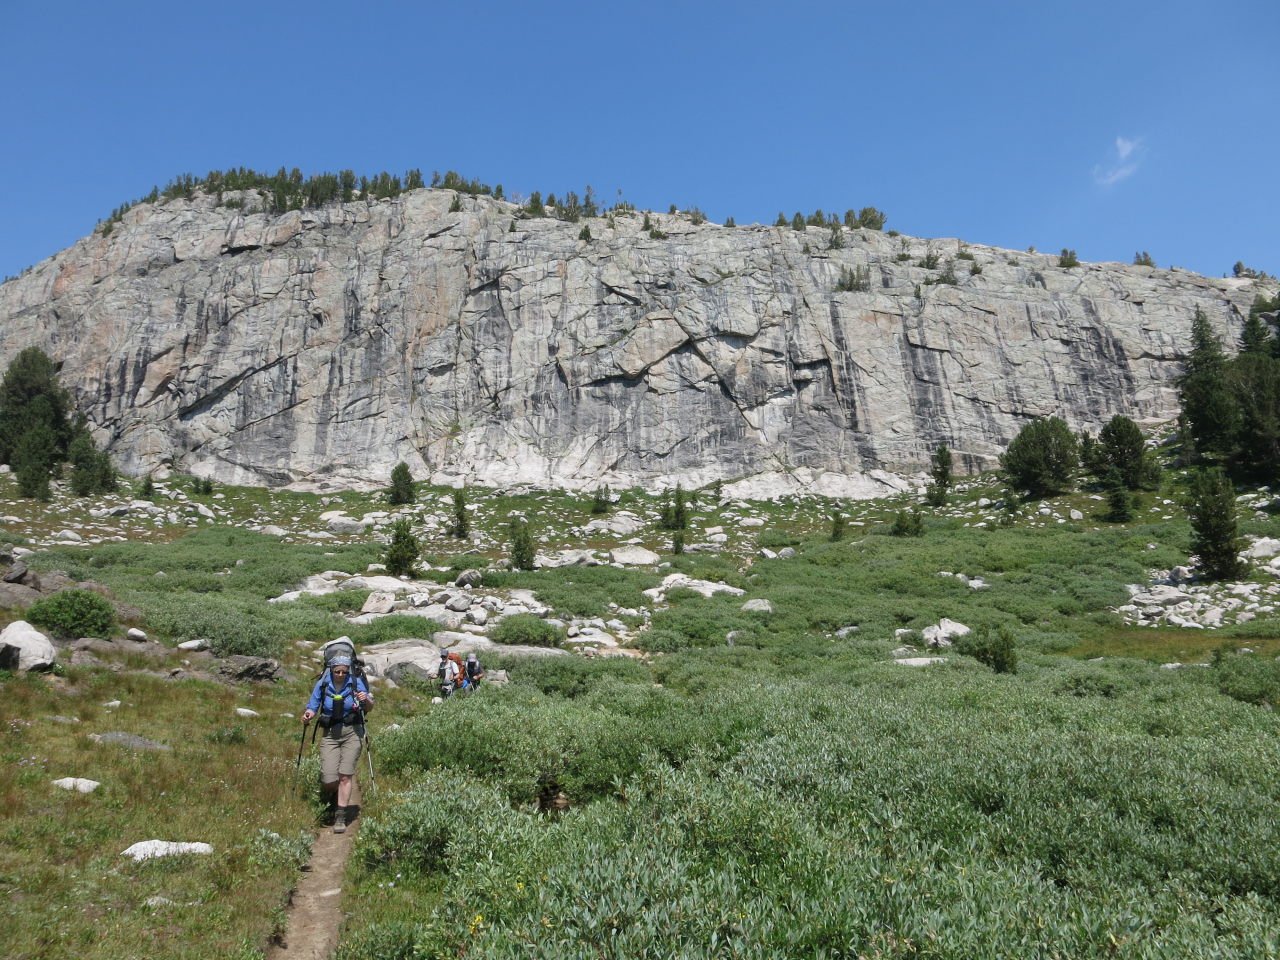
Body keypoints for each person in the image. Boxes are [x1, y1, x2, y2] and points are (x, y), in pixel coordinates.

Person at [301, 655, 372, 833]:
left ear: (348, 671)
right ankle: (334, 796)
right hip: (330, 734)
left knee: (345, 775)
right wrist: (308, 715)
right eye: (337, 671)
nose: (340, 674)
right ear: (331, 670)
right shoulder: (323, 684)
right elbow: (313, 706)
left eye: (344, 672)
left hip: (352, 732)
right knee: (328, 778)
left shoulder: (355, 683)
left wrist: (366, 699)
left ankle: (340, 816)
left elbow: (369, 707)